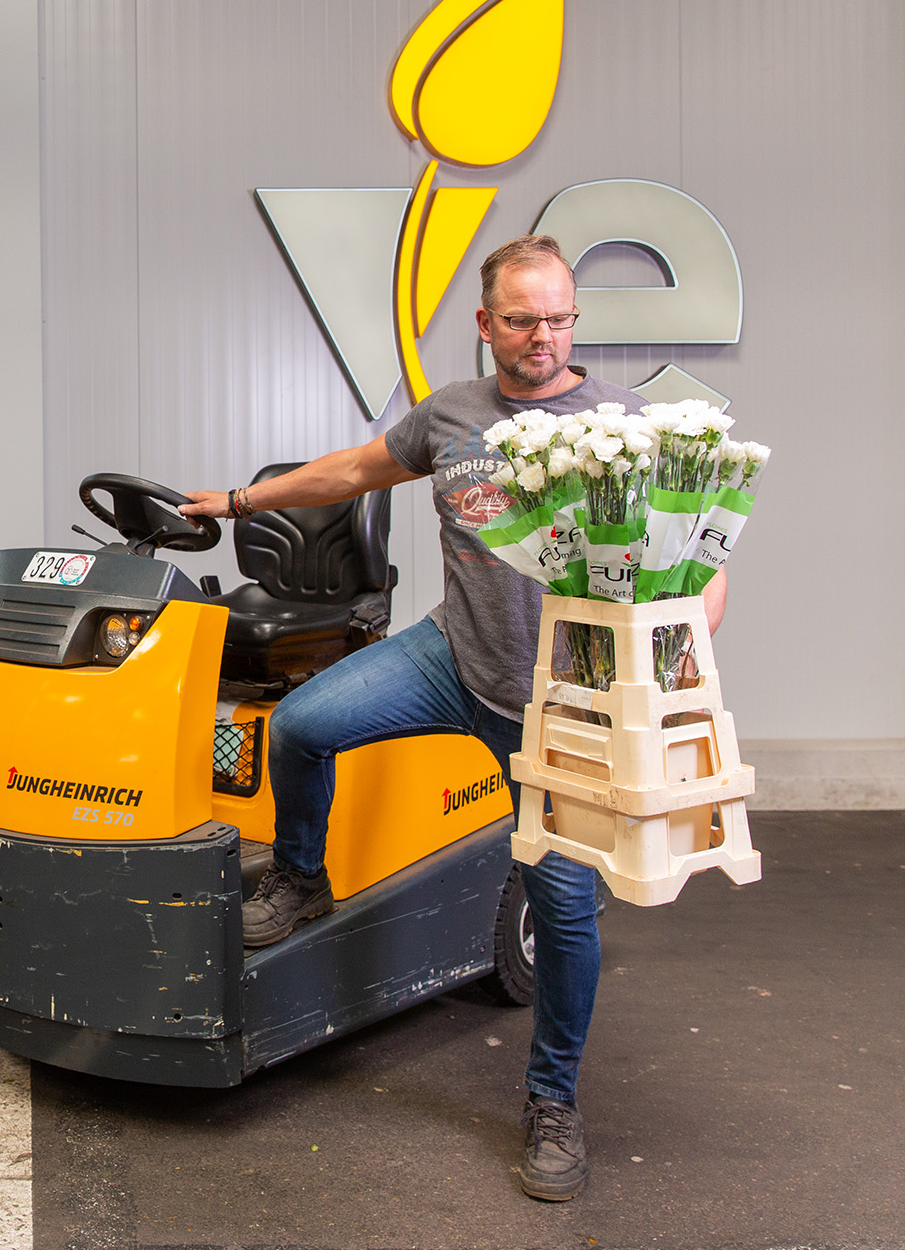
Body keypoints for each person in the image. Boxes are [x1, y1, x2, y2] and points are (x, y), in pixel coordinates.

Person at [180, 234, 726, 1203]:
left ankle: (553, 1098)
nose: (543, 337)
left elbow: (705, 565)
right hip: (452, 658)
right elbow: (350, 472)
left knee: (561, 910)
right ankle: (302, 877)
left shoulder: (623, 423)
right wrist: (236, 500)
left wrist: (677, 631)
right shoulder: (452, 416)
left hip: (562, 714)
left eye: (559, 318)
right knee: (302, 724)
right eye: (521, 320)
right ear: (485, 325)